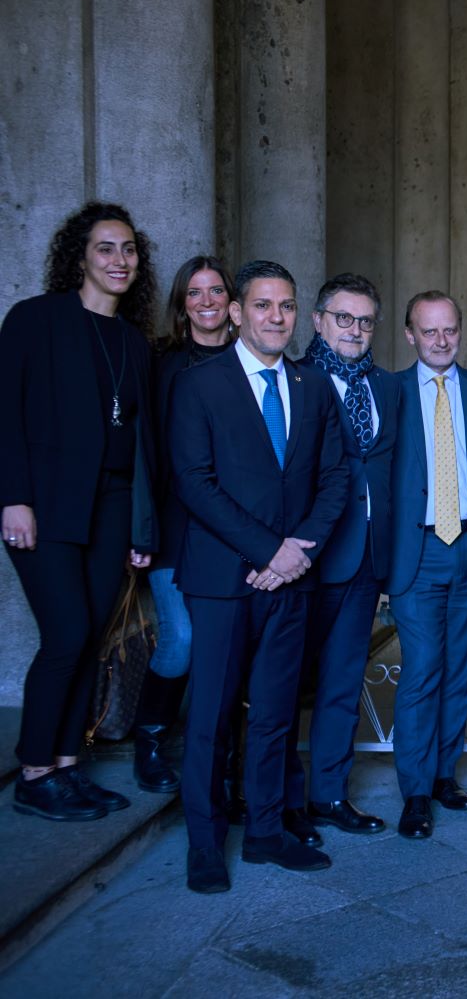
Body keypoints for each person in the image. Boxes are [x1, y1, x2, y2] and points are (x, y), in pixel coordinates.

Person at [168, 260, 350, 893]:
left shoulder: (313, 385)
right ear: (239, 313)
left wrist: (297, 551)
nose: (278, 317)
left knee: (274, 713)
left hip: (292, 578)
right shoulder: (200, 384)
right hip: (223, 580)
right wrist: (268, 551)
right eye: (265, 306)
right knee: (212, 716)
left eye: (288, 306)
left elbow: (335, 479)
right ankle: (205, 844)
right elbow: (194, 483)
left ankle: (267, 834)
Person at [1, 202, 158, 821]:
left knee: (89, 638)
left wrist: (140, 527)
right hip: (45, 506)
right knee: (64, 634)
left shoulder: (132, 341)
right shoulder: (34, 320)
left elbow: (143, 442)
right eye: (106, 248)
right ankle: (34, 772)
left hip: (112, 506)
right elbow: (4, 414)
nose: (120, 261)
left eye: (128, 250)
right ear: (81, 257)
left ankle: (67, 766)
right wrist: (13, 498)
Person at [278, 273, 400, 843]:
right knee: (280, 683)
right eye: (343, 318)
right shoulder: (294, 381)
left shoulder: (388, 387)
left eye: (365, 320)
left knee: (342, 683)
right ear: (319, 320)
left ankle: (328, 794)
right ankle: (278, 801)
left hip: (364, 560)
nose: (355, 330)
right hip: (303, 558)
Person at [386, 290, 467, 841]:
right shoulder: (388, 393)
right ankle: (414, 791)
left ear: (461, 331)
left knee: (462, 670)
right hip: (417, 552)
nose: (441, 341)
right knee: (421, 670)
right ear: (410, 334)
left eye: (450, 330)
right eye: (428, 331)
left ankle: (442, 775)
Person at [130, 254, 235, 794]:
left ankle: (221, 748)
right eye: (194, 293)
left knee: (229, 642)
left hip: (233, 528)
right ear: (182, 305)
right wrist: (141, 531)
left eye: (216, 291)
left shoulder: (250, 359)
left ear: (232, 302)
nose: (207, 302)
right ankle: (149, 737)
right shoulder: (163, 364)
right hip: (174, 524)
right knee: (183, 639)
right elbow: (144, 452)